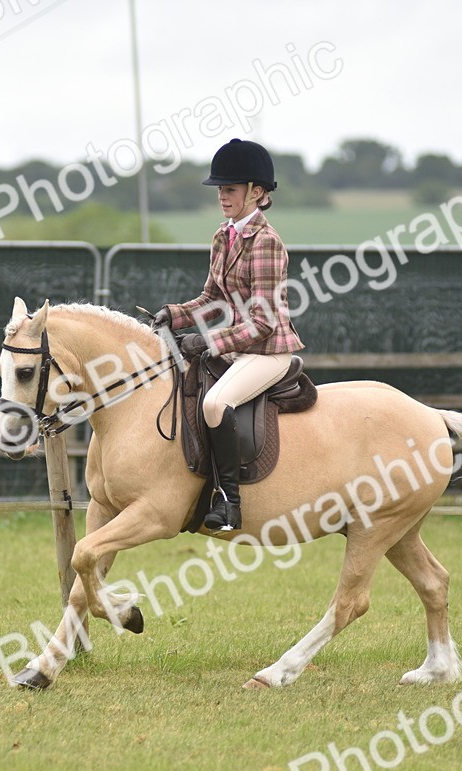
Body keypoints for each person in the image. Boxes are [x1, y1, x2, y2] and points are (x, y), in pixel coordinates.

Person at [151, 138, 304, 532]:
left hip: (268, 352)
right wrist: (175, 314)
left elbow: (263, 323)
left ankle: (229, 503)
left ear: (257, 193)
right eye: (220, 189)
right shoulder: (224, 236)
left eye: (230, 189)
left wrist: (206, 341)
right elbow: (211, 299)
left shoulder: (267, 243)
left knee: (216, 404)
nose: (222, 196)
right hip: (238, 350)